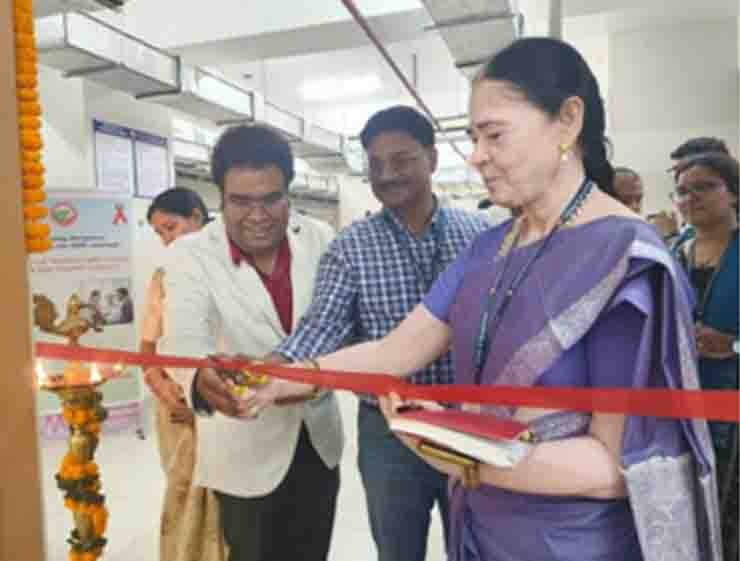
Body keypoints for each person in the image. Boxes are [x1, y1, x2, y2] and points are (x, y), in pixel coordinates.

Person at [241, 37, 721, 561]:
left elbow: (615, 467)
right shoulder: (489, 248)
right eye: (473, 137)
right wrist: (281, 378)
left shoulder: (626, 260)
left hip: (568, 544)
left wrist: (458, 453)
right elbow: (394, 352)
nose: (476, 157)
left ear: (568, 121)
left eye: (494, 135)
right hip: (480, 529)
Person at [201, 105, 490, 561]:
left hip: (470, 420)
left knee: (480, 543)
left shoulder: (482, 237)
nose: (388, 174)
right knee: (396, 549)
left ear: (432, 159)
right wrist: (271, 372)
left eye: (402, 160)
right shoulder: (351, 247)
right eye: (376, 164)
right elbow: (323, 326)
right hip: (389, 433)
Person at [160, 124, 343, 561]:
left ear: (288, 194)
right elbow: (182, 336)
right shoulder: (191, 254)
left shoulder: (319, 238)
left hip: (318, 440)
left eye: (271, 199)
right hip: (244, 447)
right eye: (241, 201)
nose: (257, 215)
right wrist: (201, 378)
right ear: (220, 198)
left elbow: (338, 323)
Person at [139, 186, 224, 561]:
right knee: (183, 493)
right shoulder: (163, 277)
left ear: (197, 217)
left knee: (225, 500)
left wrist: (202, 401)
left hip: (222, 404)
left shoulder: (232, 270)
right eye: (159, 233)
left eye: (171, 227)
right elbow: (147, 348)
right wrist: (164, 388)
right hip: (174, 408)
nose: (167, 240)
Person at [673, 152, 738, 561]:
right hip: (681, 408)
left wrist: (734, 346)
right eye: (682, 191)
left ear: (733, 193)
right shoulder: (673, 253)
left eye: (704, 187)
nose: (690, 197)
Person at [652, 137, 731, 246]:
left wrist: (670, 235)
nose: (680, 177)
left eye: (701, 187)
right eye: (676, 171)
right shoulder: (692, 226)